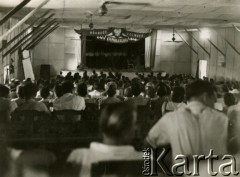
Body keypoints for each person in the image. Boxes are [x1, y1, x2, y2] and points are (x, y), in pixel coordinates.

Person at [146, 80, 228, 159]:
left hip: (181, 171)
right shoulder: (222, 119)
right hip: (214, 171)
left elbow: (149, 144)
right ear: (205, 97)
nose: (214, 104)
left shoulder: (171, 118)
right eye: (213, 100)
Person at [67, 103, 141, 177]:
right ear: (128, 130)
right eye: (134, 124)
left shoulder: (79, 157)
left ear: (101, 126)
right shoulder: (146, 159)